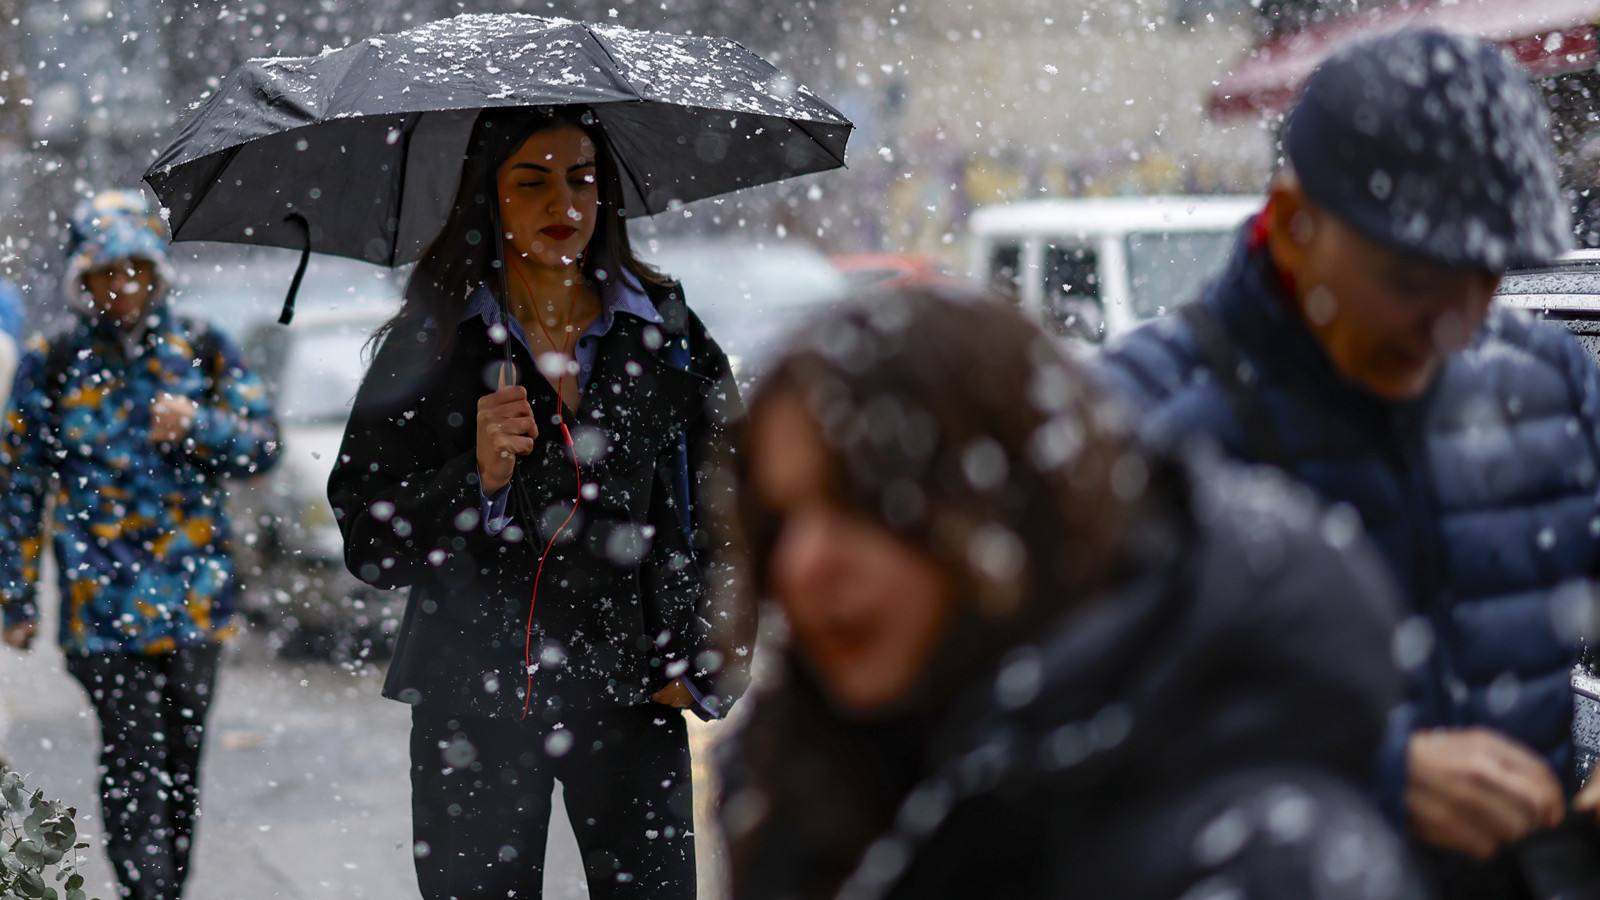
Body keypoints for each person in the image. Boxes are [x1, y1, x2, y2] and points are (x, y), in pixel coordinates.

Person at [717, 283, 1422, 900]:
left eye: (862, 501)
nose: (803, 563)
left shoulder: (1259, 858)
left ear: (1007, 501)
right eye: (780, 520)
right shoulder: (807, 792)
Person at [1097, 28, 1596, 898]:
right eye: (1412, 279)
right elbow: (1060, 764)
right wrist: (1368, 776)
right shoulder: (1136, 424)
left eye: (1487, 278)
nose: (1460, 324)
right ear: (1293, 223)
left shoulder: (1548, 381)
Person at [328, 105, 748, 900]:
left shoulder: (665, 331)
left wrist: (708, 658)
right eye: (533, 181)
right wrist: (473, 480)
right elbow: (368, 537)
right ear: (488, 198)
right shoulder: (434, 342)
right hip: (472, 703)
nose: (565, 204)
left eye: (582, 179)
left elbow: (739, 501)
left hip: (632, 691)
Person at [0, 189, 281, 900]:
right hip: (103, 611)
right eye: (105, 272)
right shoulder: (53, 363)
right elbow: (20, 487)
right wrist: (16, 595)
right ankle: (146, 890)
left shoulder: (202, 347)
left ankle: (165, 888)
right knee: (133, 757)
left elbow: (261, 448)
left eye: (134, 270)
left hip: (195, 603)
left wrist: (199, 426)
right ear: (82, 279)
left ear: (157, 272)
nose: (121, 287)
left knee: (181, 763)